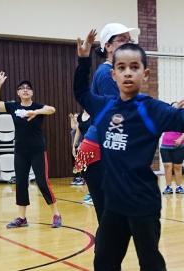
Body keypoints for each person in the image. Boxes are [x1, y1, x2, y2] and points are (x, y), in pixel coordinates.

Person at [73, 30, 184, 271]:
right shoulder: (104, 107)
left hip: (143, 204)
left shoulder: (152, 110)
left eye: (134, 67)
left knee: (150, 262)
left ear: (145, 74)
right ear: (113, 74)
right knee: (104, 261)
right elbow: (81, 93)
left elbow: (180, 118)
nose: (127, 72)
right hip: (113, 205)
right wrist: (83, 62)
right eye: (121, 68)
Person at [82, 23, 139, 221]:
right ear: (108, 46)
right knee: (110, 219)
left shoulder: (115, 73)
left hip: (100, 149)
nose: (128, 44)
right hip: (99, 151)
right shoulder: (107, 74)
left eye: (129, 40)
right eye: (122, 39)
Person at [0, 72, 62, 228]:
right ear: (18, 93)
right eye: (22, 88)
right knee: (21, 183)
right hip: (21, 152)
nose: (25, 90)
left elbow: (52, 109)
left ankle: (56, 214)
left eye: (28, 88)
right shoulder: (13, 106)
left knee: (42, 182)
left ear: (32, 92)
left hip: (37, 151)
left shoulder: (38, 107)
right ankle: (22, 218)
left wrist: (36, 112)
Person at [160, 101, 184, 194]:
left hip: (179, 146)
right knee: (167, 166)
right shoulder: (167, 117)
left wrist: (181, 139)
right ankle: (168, 187)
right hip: (165, 146)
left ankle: (179, 187)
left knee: (178, 167)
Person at [69, 112, 85, 185]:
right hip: (75, 147)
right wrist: (72, 118)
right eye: (75, 117)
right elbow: (73, 126)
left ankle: (82, 178)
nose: (75, 118)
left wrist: (73, 118)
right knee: (75, 163)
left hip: (81, 146)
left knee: (80, 163)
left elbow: (75, 126)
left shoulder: (81, 126)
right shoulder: (75, 126)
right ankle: (76, 178)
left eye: (76, 117)